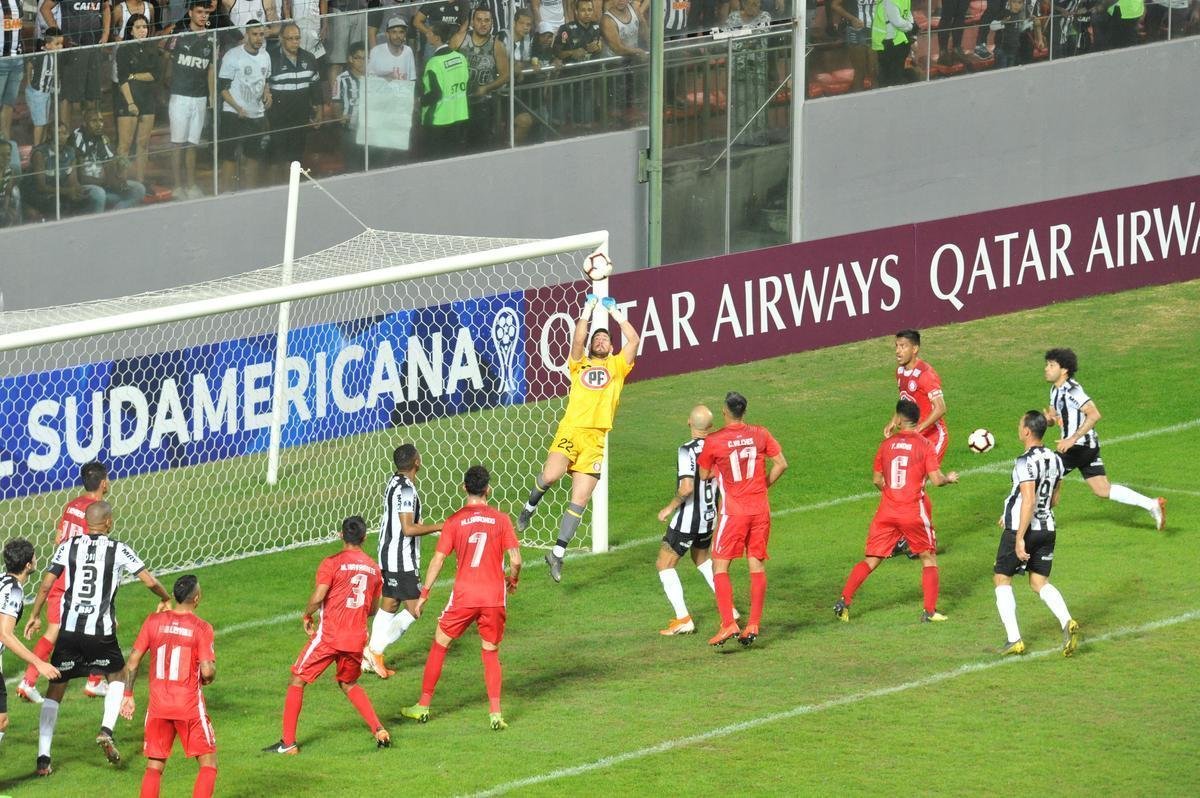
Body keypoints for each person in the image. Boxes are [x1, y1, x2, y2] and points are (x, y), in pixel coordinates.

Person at [25, 500, 172, 776]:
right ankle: (106, 730)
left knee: (55, 688)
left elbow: (46, 584)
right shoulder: (118, 549)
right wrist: (165, 597)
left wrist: (35, 615)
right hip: (100, 632)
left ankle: (43, 759)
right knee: (117, 676)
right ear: (107, 523)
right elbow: (150, 581)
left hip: (69, 631)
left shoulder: (68, 546)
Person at [518, 293, 640, 583]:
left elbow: (634, 340)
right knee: (550, 475)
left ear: (611, 347)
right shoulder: (578, 364)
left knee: (580, 500)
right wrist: (588, 310)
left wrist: (616, 313)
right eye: (597, 339)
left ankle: (557, 554)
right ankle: (528, 508)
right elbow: (577, 340)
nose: (601, 341)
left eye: (605, 339)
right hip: (571, 431)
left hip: (595, 440)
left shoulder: (617, 367)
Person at [400, 465, 522, 730]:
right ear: (488, 489)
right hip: (493, 597)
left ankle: (423, 706)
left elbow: (438, 560)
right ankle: (495, 714)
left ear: (464, 488)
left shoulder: (454, 521)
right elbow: (515, 560)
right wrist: (513, 581)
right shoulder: (501, 519)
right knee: (490, 651)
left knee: (440, 643)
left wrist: (424, 594)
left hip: (465, 596)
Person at [264, 516, 391, 754]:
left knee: (297, 679)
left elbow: (319, 596)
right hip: (356, 639)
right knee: (349, 683)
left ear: (341, 535)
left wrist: (307, 614)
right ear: (364, 537)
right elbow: (373, 609)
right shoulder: (374, 569)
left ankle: (288, 743)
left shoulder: (331, 563)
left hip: (329, 637)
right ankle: (378, 729)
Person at [834, 400, 959, 623]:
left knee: (872, 559)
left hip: (887, 511)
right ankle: (929, 612)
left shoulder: (886, 445)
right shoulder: (924, 445)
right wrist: (948, 479)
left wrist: (892, 494)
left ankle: (844, 601)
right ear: (918, 420)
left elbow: (877, 480)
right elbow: (936, 480)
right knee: (928, 557)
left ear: (899, 419)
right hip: (913, 511)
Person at [696, 391, 787, 647]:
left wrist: (719, 468)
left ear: (725, 412)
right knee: (756, 565)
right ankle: (753, 624)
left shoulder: (714, 440)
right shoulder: (760, 433)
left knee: (719, 566)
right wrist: (762, 485)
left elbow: (704, 475)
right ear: (743, 411)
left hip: (734, 513)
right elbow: (781, 464)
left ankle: (728, 623)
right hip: (760, 510)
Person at [18, 461, 112, 705]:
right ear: (103, 483)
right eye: (108, 479)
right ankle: (93, 680)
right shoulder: (97, 511)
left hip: (61, 574)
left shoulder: (72, 505)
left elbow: (59, 537)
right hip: (78, 580)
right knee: (100, 624)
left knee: (59, 629)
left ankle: (29, 681)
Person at [1043, 348, 1165, 529]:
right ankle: (1152, 504)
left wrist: (1072, 439)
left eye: (1052, 365)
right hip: (1086, 446)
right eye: (1047, 364)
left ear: (1064, 370)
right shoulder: (1055, 390)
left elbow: (1094, 414)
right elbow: (1055, 416)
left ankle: (1044, 518)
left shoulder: (1073, 391)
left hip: (1079, 446)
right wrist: (1049, 420)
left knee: (1046, 471)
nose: (1046, 368)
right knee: (1102, 489)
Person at [119, 575, 218, 798]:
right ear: (197, 598)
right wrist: (210, 673)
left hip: (158, 707)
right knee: (208, 762)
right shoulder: (201, 628)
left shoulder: (153, 621)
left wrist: (128, 694)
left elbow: (133, 661)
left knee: (154, 765)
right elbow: (207, 671)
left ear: (174, 596)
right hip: (188, 707)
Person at [993, 411, 1081, 657]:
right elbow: (1054, 499)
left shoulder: (1024, 461)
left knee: (1002, 578)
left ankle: (1014, 639)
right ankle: (1067, 621)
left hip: (1023, 529)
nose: (1018, 427)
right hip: (1047, 528)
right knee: (1039, 582)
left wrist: (1020, 537)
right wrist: (1010, 511)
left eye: (1020, 424)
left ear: (1027, 431)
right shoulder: (1056, 460)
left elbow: (1029, 500)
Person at [362, 444, 444, 678]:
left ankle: (371, 656)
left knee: (389, 604)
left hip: (387, 554)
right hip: (401, 559)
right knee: (415, 609)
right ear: (416, 462)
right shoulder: (406, 489)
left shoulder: (394, 481)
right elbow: (408, 529)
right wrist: (441, 526)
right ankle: (373, 651)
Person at [655, 404, 734, 635]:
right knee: (701, 559)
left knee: (664, 564)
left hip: (688, 519)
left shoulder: (686, 450)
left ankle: (683, 619)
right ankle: (729, 610)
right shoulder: (719, 447)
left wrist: (669, 508)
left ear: (689, 422)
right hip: (710, 517)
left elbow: (687, 487)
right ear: (711, 426)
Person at [883, 329, 948, 558]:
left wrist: (919, 429)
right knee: (905, 486)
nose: (898, 351)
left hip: (933, 438)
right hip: (915, 438)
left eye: (903, 346)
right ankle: (906, 537)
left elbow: (941, 408)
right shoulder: (900, 372)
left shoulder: (926, 374)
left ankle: (926, 541)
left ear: (915, 349)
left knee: (916, 487)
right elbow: (904, 400)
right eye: (896, 346)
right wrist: (894, 421)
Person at [0, 539, 62, 750]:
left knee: (1, 720)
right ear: (28, 565)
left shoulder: (2, 580)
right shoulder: (14, 591)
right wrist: (39, 663)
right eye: (34, 556)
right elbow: (5, 635)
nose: (36, 559)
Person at [165, 0, 216, 199]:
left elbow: (210, 69)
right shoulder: (179, 36)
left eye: (206, 13)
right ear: (190, 13)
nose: (204, 16)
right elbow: (166, 61)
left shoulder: (212, 38)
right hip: (180, 97)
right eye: (200, 12)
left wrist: (211, 96)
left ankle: (191, 185)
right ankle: (177, 186)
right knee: (178, 144)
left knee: (192, 144)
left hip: (200, 98)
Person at [218, 19, 272, 192]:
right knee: (230, 156)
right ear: (247, 35)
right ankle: (225, 194)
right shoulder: (233, 56)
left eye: (261, 34)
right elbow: (222, 89)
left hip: (256, 114)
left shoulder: (265, 56)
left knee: (253, 156)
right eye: (255, 34)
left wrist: (267, 93)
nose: (258, 38)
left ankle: (250, 194)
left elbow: (266, 80)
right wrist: (237, 108)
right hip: (233, 114)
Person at [40, 0, 111, 130]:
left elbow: (106, 7)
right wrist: (59, 35)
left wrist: (106, 33)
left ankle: (90, 133)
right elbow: (45, 8)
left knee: (93, 94)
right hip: (73, 48)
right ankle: (64, 133)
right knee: (68, 95)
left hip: (94, 46)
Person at [267, 21, 322, 178]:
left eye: (297, 38)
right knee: (276, 161)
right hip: (277, 120)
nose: (294, 42)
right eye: (290, 38)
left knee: (294, 160)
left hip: (300, 118)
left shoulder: (309, 58)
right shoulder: (271, 59)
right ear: (281, 39)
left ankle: (290, 189)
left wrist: (319, 111)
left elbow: (316, 88)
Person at [451, 5, 509, 150]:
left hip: (482, 106)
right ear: (472, 22)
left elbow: (505, 75)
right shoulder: (459, 39)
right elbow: (445, 65)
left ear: (492, 22)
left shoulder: (497, 45)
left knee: (480, 148)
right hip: (458, 103)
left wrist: (486, 88)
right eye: (479, 20)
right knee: (456, 147)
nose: (483, 24)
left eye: (487, 20)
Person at [20, 119, 107, 216]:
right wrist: (68, 191)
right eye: (58, 133)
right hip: (40, 194)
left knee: (97, 193)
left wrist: (77, 191)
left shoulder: (70, 152)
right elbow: (41, 187)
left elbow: (73, 181)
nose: (61, 136)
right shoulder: (40, 154)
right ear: (49, 135)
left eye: (64, 133)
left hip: (62, 191)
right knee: (57, 205)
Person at [114, 13, 160, 185]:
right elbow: (122, 79)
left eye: (145, 27)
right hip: (128, 99)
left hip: (147, 99)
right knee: (125, 145)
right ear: (131, 31)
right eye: (138, 27)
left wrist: (133, 75)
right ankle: (121, 181)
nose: (142, 30)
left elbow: (155, 75)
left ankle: (140, 181)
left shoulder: (152, 48)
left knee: (143, 143)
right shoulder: (124, 49)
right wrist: (131, 103)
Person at [72, 108, 148, 208]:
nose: (99, 125)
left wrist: (117, 181)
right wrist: (107, 182)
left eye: (101, 121)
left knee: (139, 189)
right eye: (94, 121)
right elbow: (81, 178)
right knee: (100, 194)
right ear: (84, 123)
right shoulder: (77, 139)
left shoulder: (102, 138)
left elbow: (109, 165)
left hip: (104, 185)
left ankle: (118, 213)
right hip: (87, 188)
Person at [419, 20, 470, 158]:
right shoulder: (461, 58)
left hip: (437, 120)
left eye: (429, 32)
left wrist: (419, 101)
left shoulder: (434, 63)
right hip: (458, 115)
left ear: (436, 37)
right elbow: (467, 83)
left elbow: (435, 94)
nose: (426, 34)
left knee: (435, 161)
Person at [24, 28, 64, 147]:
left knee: (45, 121)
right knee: (40, 123)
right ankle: (37, 148)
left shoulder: (55, 56)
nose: (60, 46)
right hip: (38, 93)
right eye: (57, 44)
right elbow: (29, 64)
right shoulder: (41, 55)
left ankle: (43, 145)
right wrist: (29, 82)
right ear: (47, 45)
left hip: (46, 93)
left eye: (61, 43)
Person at [831, 0, 877, 91]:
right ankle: (858, 96)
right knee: (860, 70)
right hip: (857, 30)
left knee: (874, 70)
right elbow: (834, 5)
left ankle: (877, 96)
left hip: (876, 29)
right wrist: (852, 19)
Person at [333, 40, 365, 170]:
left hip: (369, 130)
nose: (362, 62)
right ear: (350, 59)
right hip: (350, 130)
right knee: (352, 166)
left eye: (365, 58)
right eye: (358, 58)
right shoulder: (341, 79)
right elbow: (336, 102)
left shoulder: (373, 77)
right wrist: (340, 117)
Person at [871, 0, 916, 87]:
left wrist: (909, 25)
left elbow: (907, 14)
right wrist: (910, 26)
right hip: (889, 40)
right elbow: (897, 21)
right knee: (890, 72)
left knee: (893, 72)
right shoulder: (890, 1)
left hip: (896, 40)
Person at [0, 0, 25, 143]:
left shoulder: (18, 1)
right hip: (1, 60)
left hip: (17, 60)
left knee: (9, 104)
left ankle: (5, 141)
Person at [368, 16, 417, 81]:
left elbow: (412, 79)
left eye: (401, 32)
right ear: (387, 34)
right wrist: (384, 78)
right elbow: (369, 78)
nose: (398, 36)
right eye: (394, 32)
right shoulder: (376, 51)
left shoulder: (408, 51)